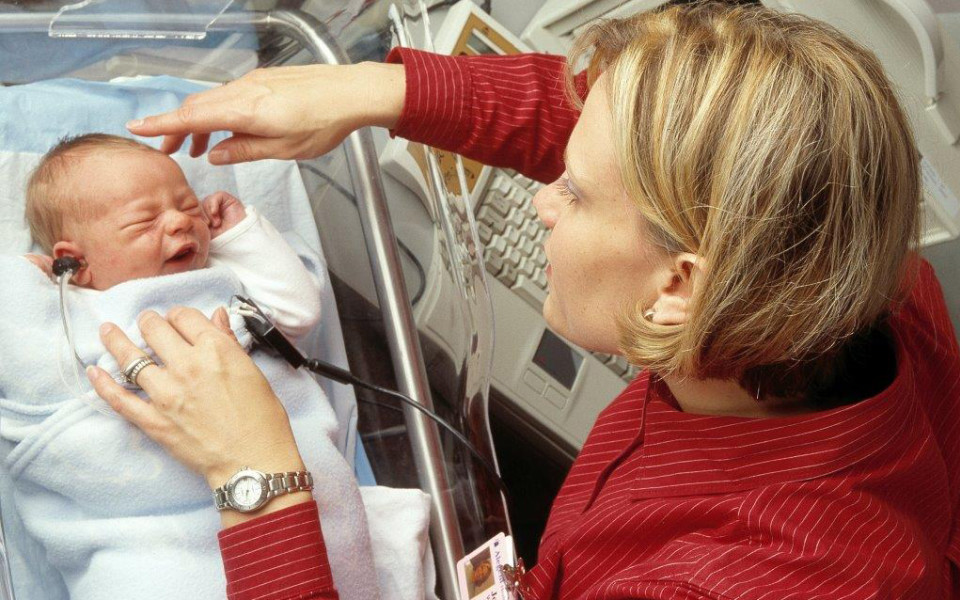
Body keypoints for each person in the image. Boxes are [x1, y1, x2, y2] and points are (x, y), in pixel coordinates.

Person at [86, 3, 960, 599]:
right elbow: (636, 140)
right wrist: (380, 92)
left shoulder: (739, 576)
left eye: (573, 192)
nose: (544, 196)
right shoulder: (862, 272)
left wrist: (258, 478)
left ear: (680, 286)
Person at [2, 134, 383, 599]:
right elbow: (20, 360)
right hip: (144, 533)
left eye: (188, 205)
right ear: (74, 263)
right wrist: (21, 278)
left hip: (295, 496)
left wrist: (241, 236)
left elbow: (297, 312)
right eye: (145, 221)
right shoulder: (71, 313)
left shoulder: (219, 281)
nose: (181, 220)